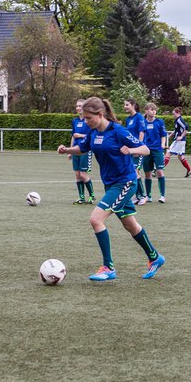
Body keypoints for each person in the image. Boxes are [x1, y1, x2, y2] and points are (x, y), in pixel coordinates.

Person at [56, 97, 165, 281]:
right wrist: (67, 150)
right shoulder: (92, 132)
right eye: (84, 118)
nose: (86, 121)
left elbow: (145, 149)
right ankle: (155, 257)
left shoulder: (118, 131)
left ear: (100, 115)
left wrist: (130, 151)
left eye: (89, 118)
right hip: (111, 184)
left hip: (125, 183)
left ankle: (108, 267)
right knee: (130, 225)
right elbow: (83, 149)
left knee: (96, 219)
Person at [140, 103, 168, 203]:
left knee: (159, 171)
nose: (154, 111)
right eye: (151, 110)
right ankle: (149, 196)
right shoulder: (142, 122)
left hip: (157, 150)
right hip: (146, 150)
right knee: (147, 173)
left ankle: (162, 196)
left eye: (155, 110)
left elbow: (163, 135)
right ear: (146, 111)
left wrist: (162, 144)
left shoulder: (159, 122)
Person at [121, 99, 147, 203]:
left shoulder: (139, 117)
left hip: (137, 149)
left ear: (133, 105)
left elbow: (141, 132)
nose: (125, 106)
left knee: (136, 171)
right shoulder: (128, 119)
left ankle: (143, 196)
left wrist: (138, 148)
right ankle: (137, 196)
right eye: (124, 105)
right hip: (130, 149)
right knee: (131, 172)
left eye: (127, 105)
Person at [69, 99, 94, 204]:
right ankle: (81, 197)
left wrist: (80, 135)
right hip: (75, 150)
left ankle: (92, 196)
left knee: (83, 175)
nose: (78, 108)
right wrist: (70, 150)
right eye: (77, 106)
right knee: (77, 175)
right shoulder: (75, 121)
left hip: (85, 150)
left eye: (80, 106)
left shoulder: (89, 120)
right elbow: (73, 137)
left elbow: (92, 135)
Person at [168, 107, 191, 177]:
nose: (173, 116)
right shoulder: (177, 120)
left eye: (174, 114)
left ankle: (159, 169)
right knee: (180, 157)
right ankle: (189, 170)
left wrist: (181, 136)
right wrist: (171, 135)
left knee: (168, 152)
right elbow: (177, 130)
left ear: (178, 113)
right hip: (181, 141)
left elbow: (186, 128)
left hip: (179, 141)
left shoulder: (179, 120)